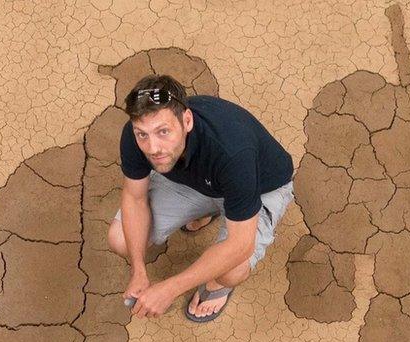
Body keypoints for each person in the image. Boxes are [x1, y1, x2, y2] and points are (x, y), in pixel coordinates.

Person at [108, 74, 294, 322]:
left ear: (186, 120)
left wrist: (170, 288)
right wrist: (138, 270)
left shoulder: (233, 152)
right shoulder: (136, 136)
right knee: (120, 240)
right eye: (143, 134)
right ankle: (209, 209)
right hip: (197, 183)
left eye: (163, 131)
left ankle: (218, 286)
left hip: (260, 186)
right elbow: (134, 198)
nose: (153, 147)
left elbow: (241, 245)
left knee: (233, 269)